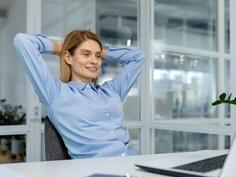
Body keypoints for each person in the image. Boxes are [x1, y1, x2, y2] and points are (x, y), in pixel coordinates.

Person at [13, 30, 145, 159]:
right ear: (68, 57)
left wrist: (101, 51)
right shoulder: (55, 93)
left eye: (97, 56)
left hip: (131, 163)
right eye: (86, 54)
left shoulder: (112, 91)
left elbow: (138, 57)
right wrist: (60, 47)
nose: (94, 61)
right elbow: (22, 41)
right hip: (97, 171)